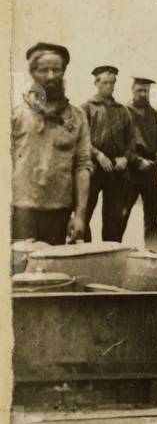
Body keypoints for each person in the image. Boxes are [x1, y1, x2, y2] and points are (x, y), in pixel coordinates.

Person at [11, 43, 92, 264]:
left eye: (57, 70)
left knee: (53, 272)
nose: (51, 76)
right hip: (21, 209)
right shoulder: (16, 113)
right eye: (44, 70)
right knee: (18, 272)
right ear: (32, 73)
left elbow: (83, 166)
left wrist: (81, 216)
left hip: (59, 212)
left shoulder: (77, 117)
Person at [81, 65, 144, 242]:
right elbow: (81, 139)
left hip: (117, 172)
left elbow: (132, 139)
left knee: (114, 220)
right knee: (83, 215)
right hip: (92, 170)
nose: (109, 86)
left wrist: (125, 158)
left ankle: (110, 257)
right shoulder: (85, 108)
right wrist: (98, 155)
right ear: (96, 83)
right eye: (105, 83)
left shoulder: (122, 111)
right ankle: (85, 254)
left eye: (112, 83)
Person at [124, 76, 157, 252]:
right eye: (139, 90)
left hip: (150, 169)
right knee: (122, 210)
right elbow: (120, 142)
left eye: (146, 91)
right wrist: (136, 160)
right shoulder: (124, 112)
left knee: (153, 210)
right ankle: (115, 245)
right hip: (130, 169)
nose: (143, 94)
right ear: (132, 90)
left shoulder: (154, 114)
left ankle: (152, 244)